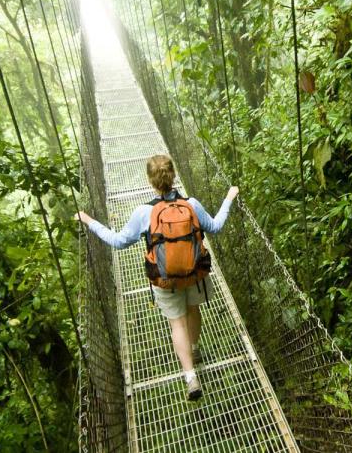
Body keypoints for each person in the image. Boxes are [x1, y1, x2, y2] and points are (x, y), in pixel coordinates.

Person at [75, 154, 238, 401]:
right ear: (173, 176)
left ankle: (190, 376)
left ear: (151, 181)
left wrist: (89, 221)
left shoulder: (144, 213)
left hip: (165, 280)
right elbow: (215, 226)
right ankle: (194, 349)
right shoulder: (191, 204)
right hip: (195, 272)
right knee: (193, 309)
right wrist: (228, 198)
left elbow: (118, 242)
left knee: (177, 323)